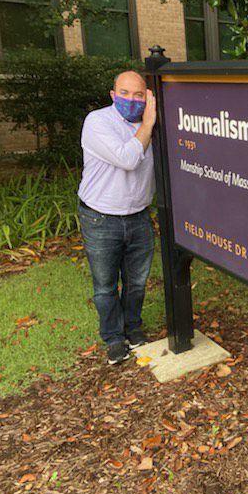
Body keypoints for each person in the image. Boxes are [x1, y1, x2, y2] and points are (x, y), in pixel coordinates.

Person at [77, 70, 157, 365]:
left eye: (138, 95)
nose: (131, 100)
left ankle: (133, 328)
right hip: (101, 218)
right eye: (125, 93)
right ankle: (113, 338)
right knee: (105, 285)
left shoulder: (154, 126)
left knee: (137, 281)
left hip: (138, 216)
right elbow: (127, 158)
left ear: (147, 96)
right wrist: (148, 123)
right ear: (113, 95)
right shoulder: (98, 122)